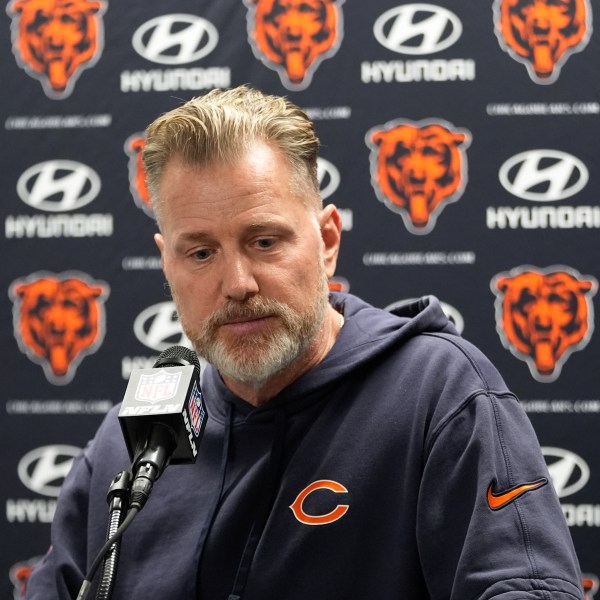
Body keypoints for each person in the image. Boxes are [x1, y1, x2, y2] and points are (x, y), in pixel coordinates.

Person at [25, 85, 584, 600]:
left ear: (327, 241)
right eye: (200, 253)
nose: (238, 284)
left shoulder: (436, 394)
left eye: (264, 241)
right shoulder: (135, 441)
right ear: (166, 263)